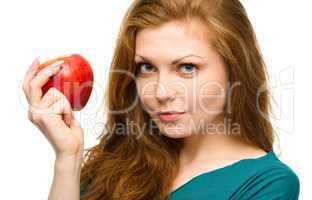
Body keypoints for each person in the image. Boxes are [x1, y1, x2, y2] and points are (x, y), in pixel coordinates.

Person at [22, 0, 300, 199]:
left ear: (234, 69)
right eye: (147, 67)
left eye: (187, 68)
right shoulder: (120, 160)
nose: (161, 92)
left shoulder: (267, 184)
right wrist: (67, 157)